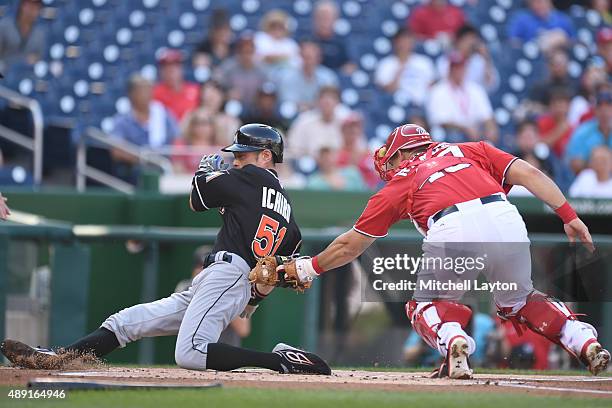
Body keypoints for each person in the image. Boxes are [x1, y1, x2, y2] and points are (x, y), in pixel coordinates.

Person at [255, 123, 610, 379]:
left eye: (392, 161)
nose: (390, 169)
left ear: (405, 153)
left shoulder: (404, 180)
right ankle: (583, 341)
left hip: (453, 225)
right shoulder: (472, 150)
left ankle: (455, 341)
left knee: (423, 305)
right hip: (506, 216)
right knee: (518, 301)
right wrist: (569, 215)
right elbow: (530, 173)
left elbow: (352, 243)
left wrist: (309, 268)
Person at [0, 124, 331, 376]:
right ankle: (61, 359)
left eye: (242, 155)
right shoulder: (288, 211)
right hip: (224, 279)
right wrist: (252, 301)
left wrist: (204, 171)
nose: (236, 161)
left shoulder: (250, 178)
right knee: (125, 322)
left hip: (228, 275)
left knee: (191, 353)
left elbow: (197, 199)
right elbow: (274, 271)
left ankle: (280, 362)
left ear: (265, 157)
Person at [175, 246, 251, 347]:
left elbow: (243, 330)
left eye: (208, 267)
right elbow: (178, 324)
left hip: (226, 352)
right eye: (200, 267)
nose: (204, 271)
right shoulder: (186, 287)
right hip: (194, 351)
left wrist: (222, 295)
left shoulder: (234, 289)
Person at [110, 74, 178, 181]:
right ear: (131, 94)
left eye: (149, 90)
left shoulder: (163, 114)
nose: (147, 94)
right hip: (136, 168)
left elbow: (177, 139)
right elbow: (116, 151)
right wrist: (143, 158)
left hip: (165, 165)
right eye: (141, 90)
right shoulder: (122, 120)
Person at [426, 52, 498, 143]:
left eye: (461, 67)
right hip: (451, 135)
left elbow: (487, 115)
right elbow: (439, 121)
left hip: (475, 133)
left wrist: (491, 129)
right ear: (450, 70)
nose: (459, 71)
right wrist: (465, 128)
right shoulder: (438, 90)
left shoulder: (475, 89)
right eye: (456, 68)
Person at [374, 28, 435, 107]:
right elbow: (387, 90)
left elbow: (432, 86)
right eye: (402, 41)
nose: (405, 44)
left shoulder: (424, 62)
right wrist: (399, 71)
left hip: (423, 105)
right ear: (395, 42)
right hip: (397, 106)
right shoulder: (386, 64)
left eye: (409, 41)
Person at [277, 39, 338, 111]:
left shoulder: (328, 76)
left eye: (310, 58)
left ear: (319, 58)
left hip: (321, 115)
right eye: (304, 57)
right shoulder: (288, 77)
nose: (307, 61)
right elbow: (288, 104)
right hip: (296, 116)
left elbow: (332, 101)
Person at [436, 24, 499, 94]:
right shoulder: (446, 60)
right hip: (452, 98)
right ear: (459, 41)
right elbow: (444, 84)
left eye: (474, 40)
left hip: (474, 99)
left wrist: (486, 58)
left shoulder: (480, 61)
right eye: (467, 40)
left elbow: (491, 85)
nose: (471, 44)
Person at [287, 86, 344, 157]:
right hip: (309, 164)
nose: (327, 101)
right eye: (323, 98)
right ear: (317, 101)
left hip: (338, 165)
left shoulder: (345, 122)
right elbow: (293, 148)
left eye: (332, 98)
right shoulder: (304, 121)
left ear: (338, 102)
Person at [214, 31, 267, 107]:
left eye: (249, 51)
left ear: (254, 51)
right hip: (232, 107)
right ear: (238, 52)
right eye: (243, 51)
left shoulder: (262, 68)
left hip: (257, 109)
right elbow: (216, 85)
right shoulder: (228, 66)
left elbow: (269, 89)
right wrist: (227, 94)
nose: (246, 55)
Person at [565, 89, 612, 174]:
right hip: (590, 178)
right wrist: (599, 164)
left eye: (608, 106)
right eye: (600, 106)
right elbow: (575, 163)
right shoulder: (583, 132)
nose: (604, 110)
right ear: (595, 110)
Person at [153, 49, 200, 121]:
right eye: (166, 67)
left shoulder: (195, 90)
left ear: (182, 69)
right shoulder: (155, 93)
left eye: (175, 66)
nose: (171, 70)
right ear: (161, 71)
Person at [507, 0, 575, 50]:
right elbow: (512, 44)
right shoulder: (521, 19)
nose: (539, 5)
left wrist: (563, 40)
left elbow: (575, 44)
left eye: (542, 1)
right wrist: (537, 44)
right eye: (535, 2)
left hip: (558, 59)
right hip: (533, 61)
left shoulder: (562, 19)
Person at [336, 112, 379, 189]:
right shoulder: (337, 153)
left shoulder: (367, 153)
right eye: (349, 127)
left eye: (356, 127)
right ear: (343, 130)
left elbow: (377, 175)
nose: (353, 130)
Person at [0, 0, 45, 72]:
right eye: (30, 5)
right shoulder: (4, 26)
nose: (33, 10)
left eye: (37, 7)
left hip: (27, 76)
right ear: (22, 5)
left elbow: (39, 58)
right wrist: (23, 60)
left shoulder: (40, 33)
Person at [172, 108, 221, 174]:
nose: (201, 127)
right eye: (197, 122)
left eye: (205, 122)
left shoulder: (219, 146)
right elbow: (178, 170)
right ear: (191, 125)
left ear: (213, 125)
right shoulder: (182, 145)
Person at [311, 0, 354, 73]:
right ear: (314, 18)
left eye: (327, 17)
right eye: (321, 17)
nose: (323, 21)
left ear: (335, 19)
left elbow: (350, 66)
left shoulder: (342, 43)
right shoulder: (306, 41)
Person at [254, 10, 300, 75]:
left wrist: (275, 58)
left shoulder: (291, 44)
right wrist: (282, 58)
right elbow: (258, 58)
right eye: (273, 26)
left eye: (280, 26)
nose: (277, 29)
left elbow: (296, 63)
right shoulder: (260, 38)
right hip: (263, 75)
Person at [200, 80, 241, 146]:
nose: (210, 100)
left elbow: (230, 145)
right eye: (208, 96)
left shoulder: (231, 121)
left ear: (222, 97)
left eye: (214, 96)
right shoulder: (193, 117)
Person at [537, 86, 574, 158]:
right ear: (551, 106)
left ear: (568, 107)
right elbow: (538, 145)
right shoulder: (542, 122)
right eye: (556, 105)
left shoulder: (573, 128)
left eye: (562, 105)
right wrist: (559, 131)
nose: (559, 109)